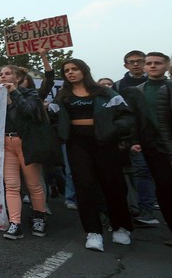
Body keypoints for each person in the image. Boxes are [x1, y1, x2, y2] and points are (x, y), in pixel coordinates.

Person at [48, 58, 135, 252]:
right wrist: (61, 132)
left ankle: (121, 227)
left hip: (105, 144)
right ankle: (93, 232)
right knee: (85, 186)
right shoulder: (62, 96)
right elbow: (53, 118)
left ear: (84, 71)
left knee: (113, 185)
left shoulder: (105, 92)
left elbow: (127, 116)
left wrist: (114, 130)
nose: (70, 72)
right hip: (77, 145)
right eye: (67, 70)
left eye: (75, 69)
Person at [0, 65, 59, 239]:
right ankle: (15, 223)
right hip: (6, 144)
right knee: (11, 186)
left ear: (17, 79)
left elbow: (29, 112)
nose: (3, 76)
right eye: (1, 74)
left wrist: (14, 93)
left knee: (34, 185)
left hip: (26, 143)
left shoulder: (29, 94)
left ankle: (39, 217)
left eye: (7, 74)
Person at [122, 52, 172, 247]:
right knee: (165, 189)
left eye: (157, 63)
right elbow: (132, 119)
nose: (152, 66)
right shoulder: (137, 91)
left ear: (167, 66)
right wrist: (133, 140)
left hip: (168, 145)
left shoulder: (169, 87)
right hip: (153, 149)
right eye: (149, 63)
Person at [112, 50, 157, 226]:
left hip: (160, 136)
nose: (136, 64)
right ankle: (144, 210)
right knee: (141, 172)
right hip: (134, 138)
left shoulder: (158, 83)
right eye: (132, 62)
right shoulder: (118, 86)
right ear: (126, 65)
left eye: (140, 61)